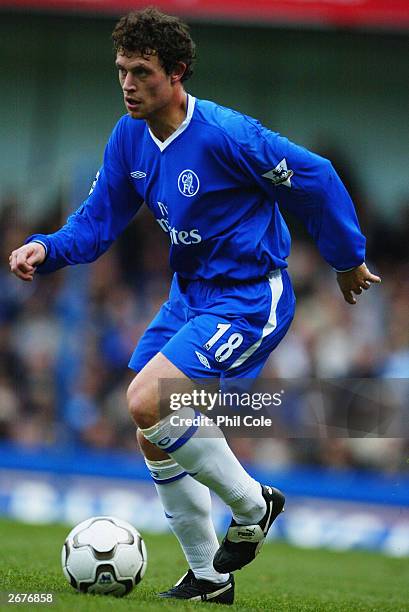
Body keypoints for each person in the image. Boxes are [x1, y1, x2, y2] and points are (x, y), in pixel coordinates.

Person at [9, 7, 381, 605]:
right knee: (152, 431)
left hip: (249, 296)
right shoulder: (129, 136)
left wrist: (346, 258)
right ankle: (210, 577)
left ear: (176, 72)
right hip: (190, 297)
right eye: (121, 71)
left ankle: (252, 504)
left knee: (145, 398)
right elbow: (99, 218)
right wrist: (45, 248)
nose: (128, 84)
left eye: (141, 72)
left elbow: (317, 176)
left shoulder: (228, 135)